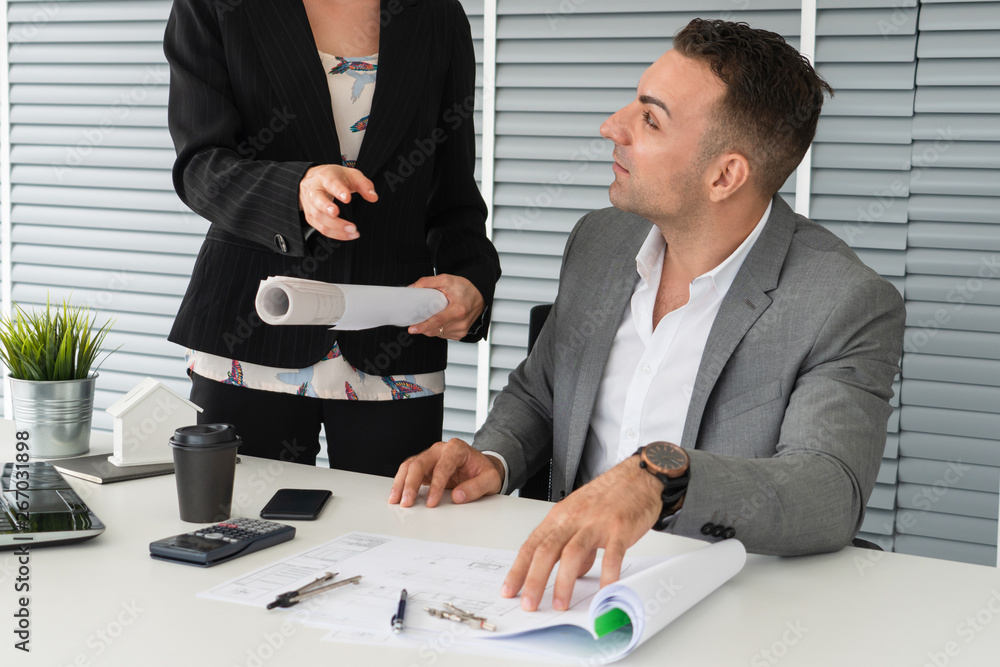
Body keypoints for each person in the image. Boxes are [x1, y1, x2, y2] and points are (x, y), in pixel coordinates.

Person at [390, 18, 906, 612]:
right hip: (562, 592)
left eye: (650, 119)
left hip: (721, 604)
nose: (612, 128)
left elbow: (826, 491)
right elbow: (542, 393)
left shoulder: (843, 301)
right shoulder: (599, 241)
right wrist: (494, 457)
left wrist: (664, 479)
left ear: (724, 175)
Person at [162, 0, 500, 476]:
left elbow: (453, 191)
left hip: (394, 337)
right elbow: (200, 165)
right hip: (251, 328)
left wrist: (472, 281)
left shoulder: (437, 14)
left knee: (394, 535)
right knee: (238, 532)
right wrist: (295, 191)